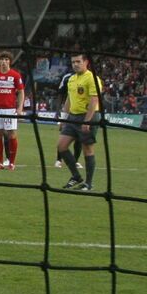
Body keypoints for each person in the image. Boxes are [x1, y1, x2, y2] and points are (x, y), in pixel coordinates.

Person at [57, 53, 102, 192]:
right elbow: (69, 99)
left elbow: (94, 100)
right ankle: (76, 176)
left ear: (86, 62)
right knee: (62, 146)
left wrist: (87, 121)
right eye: (73, 62)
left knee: (87, 149)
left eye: (78, 61)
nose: (75, 64)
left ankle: (88, 183)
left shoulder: (92, 78)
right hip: (72, 117)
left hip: (88, 116)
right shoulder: (71, 79)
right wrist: (64, 118)